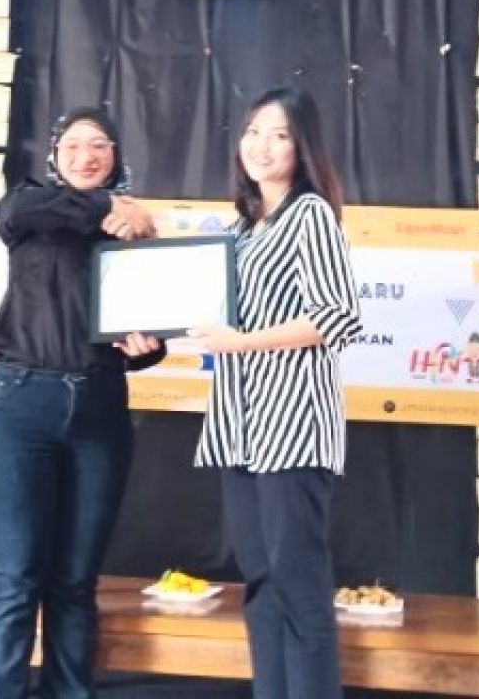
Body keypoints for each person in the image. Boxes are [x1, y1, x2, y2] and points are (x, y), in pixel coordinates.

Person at [0, 106, 165, 699]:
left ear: (116, 157)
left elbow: (144, 335)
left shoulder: (133, 236)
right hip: (20, 406)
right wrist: (111, 206)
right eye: (74, 145)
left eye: (100, 145)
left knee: (76, 583)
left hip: (101, 410)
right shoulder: (28, 208)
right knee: (15, 578)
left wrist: (148, 348)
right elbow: (25, 210)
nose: (87, 155)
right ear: (55, 156)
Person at [192, 87, 362, 699]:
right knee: (261, 586)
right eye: (253, 131)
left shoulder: (309, 214)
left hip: (291, 425)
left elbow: (338, 316)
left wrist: (241, 342)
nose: (261, 145)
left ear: (302, 147)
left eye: (280, 134)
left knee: (298, 587)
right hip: (240, 426)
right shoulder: (241, 227)